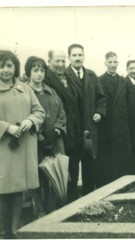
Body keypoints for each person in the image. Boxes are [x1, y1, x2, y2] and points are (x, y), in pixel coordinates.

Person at [0, 50, 44, 238]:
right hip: (4, 148)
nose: (5, 70)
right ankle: (2, 230)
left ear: (15, 67)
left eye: (9, 66)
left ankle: (15, 229)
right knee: (3, 188)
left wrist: (31, 120)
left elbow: (39, 110)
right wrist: (6, 127)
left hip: (22, 147)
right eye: (1, 66)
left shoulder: (25, 88)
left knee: (18, 187)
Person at [25, 56, 66, 215]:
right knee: (38, 178)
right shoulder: (25, 92)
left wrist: (57, 130)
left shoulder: (51, 91)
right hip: (35, 143)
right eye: (35, 70)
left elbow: (62, 114)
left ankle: (54, 211)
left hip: (55, 141)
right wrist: (40, 136)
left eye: (42, 70)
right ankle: (39, 213)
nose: (39, 74)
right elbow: (26, 115)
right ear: (29, 72)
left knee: (55, 175)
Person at [65, 44, 106, 194]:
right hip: (74, 129)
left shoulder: (91, 75)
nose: (77, 58)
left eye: (80, 55)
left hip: (90, 128)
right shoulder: (65, 75)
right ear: (69, 57)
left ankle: (88, 196)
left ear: (84, 56)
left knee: (90, 165)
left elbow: (101, 98)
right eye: (74, 55)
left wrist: (100, 112)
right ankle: (72, 199)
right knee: (73, 165)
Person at [43, 49, 82, 202]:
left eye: (62, 61)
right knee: (60, 171)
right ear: (49, 61)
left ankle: (72, 200)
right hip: (59, 133)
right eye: (56, 61)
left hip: (74, 132)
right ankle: (62, 204)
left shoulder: (68, 78)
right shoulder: (46, 80)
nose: (60, 64)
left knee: (73, 166)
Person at [96, 51, 132, 187]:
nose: (112, 65)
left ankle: (124, 183)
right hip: (107, 125)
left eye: (114, 62)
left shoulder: (124, 81)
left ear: (118, 63)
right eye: (110, 62)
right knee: (108, 156)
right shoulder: (99, 80)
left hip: (122, 125)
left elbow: (127, 102)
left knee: (122, 155)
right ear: (105, 63)